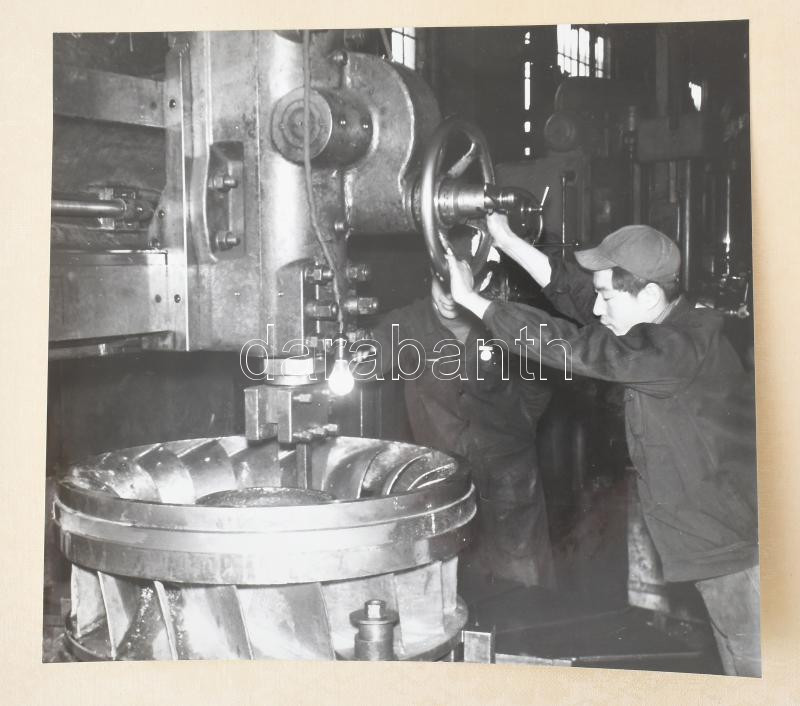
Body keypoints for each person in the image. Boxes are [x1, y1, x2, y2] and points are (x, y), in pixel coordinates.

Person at [445, 214, 760, 676]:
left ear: (648, 296)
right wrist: (508, 241)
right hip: (719, 552)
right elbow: (577, 292)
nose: (596, 308)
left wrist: (478, 303)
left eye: (608, 297)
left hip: (739, 559)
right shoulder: (666, 322)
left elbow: (577, 347)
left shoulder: (675, 352)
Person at [356, 230, 555, 589]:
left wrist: (517, 430)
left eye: (460, 283)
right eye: (441, 281)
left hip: (509, 472)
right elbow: (367, 360)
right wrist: (352, 354)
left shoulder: (505, 323)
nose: (448, 295)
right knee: (447, 583)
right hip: (442, 476)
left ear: (482, 282)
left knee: (521, 580)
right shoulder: (407, 325)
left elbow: (537, 386)